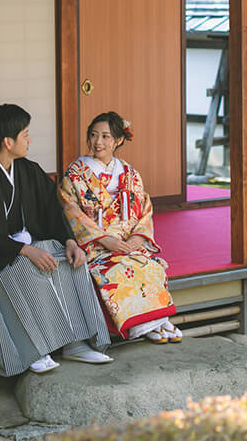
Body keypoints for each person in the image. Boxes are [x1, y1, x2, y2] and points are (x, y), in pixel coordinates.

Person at [0, 103, 112, 375]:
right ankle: (33, 349)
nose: (30, 140)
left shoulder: (28, 171)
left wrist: (69, 241)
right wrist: (24, 251)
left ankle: (77, 341)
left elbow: (52, 211)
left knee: (70, 261)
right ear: (8, 141)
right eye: (25, 134)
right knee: (27, 271)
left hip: (22, 250)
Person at [58, 111, 181, 343]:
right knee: (118, 269)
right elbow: (71, 212)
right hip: (96, 246)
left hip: (127, 241)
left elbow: (145, 209)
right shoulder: (75, 174)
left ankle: (156, 320)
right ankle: (149, 324)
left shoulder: (130, 174)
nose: (98, 142)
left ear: (118, 140)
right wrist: (105, 240)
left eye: (105, 137)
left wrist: (139, 238)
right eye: (93, 135)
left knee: (149, 264)